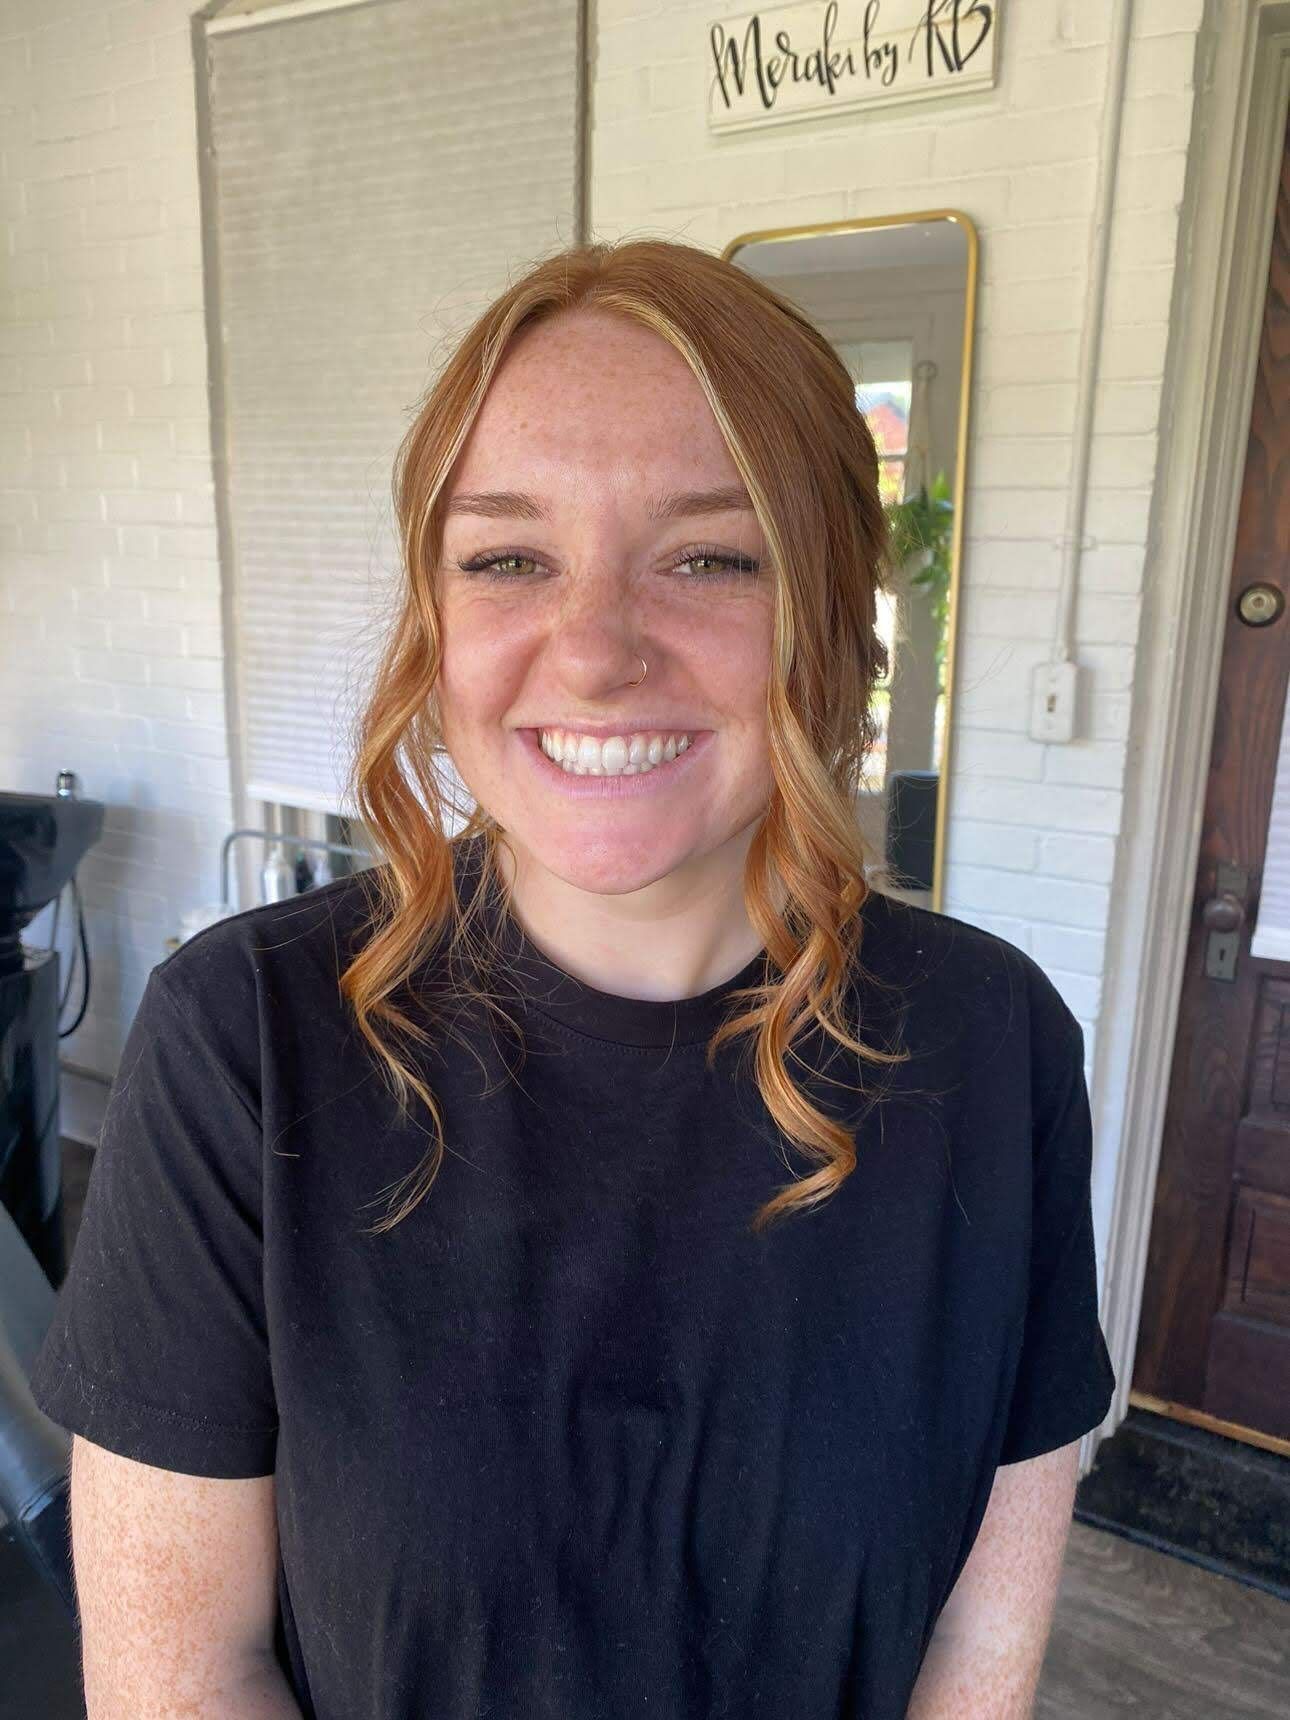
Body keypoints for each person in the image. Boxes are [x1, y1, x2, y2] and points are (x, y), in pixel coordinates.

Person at [30, 237, 1115, 1720]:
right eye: (508, 558)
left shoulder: (993, 1046)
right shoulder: (249, 1039)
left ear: (836, 621)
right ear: (434, 620)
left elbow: (974, 1659)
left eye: (709, 556)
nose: (595, 650)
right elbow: (180, 1677)